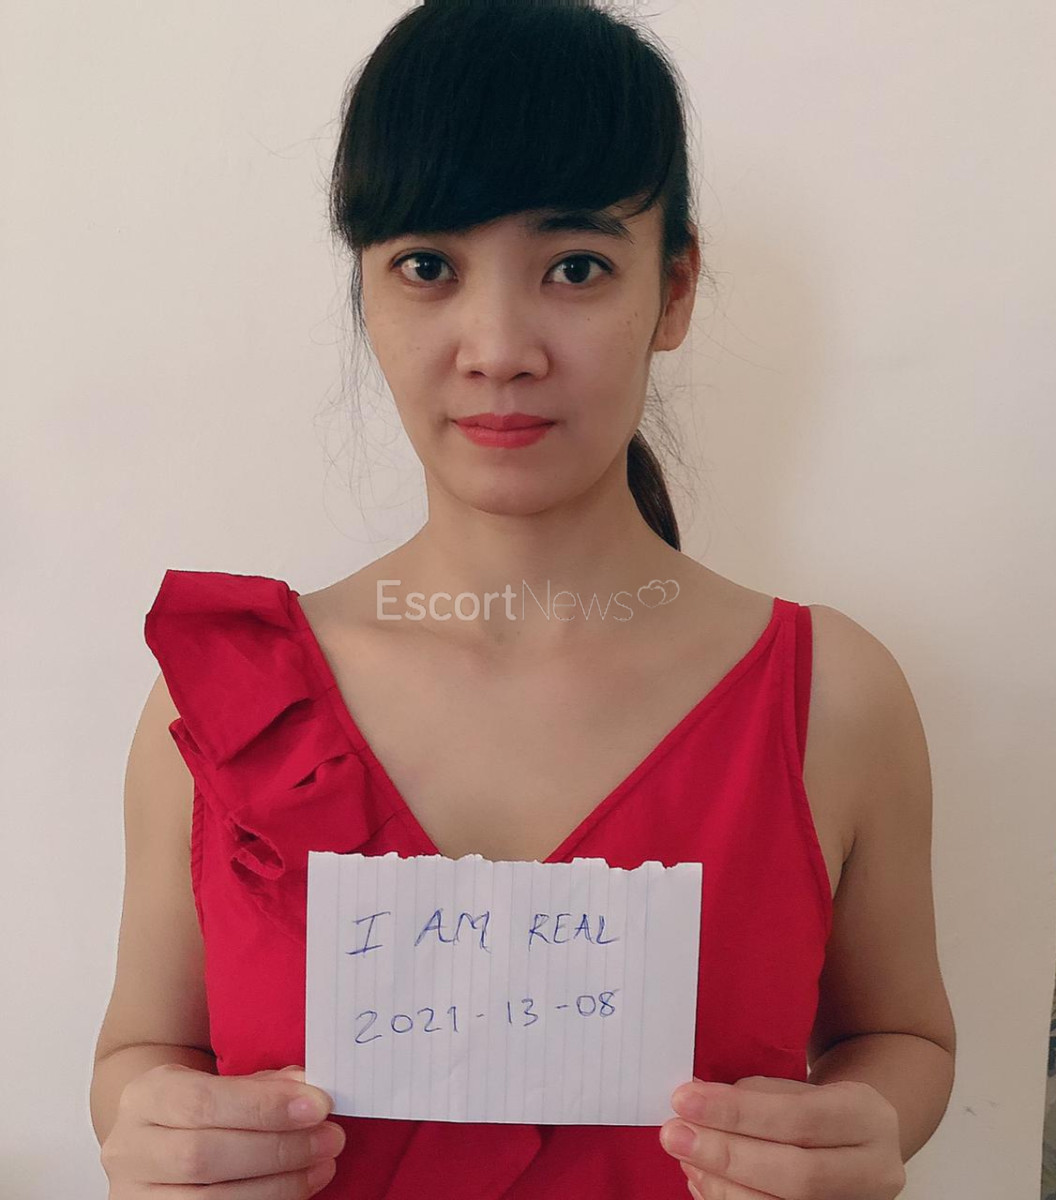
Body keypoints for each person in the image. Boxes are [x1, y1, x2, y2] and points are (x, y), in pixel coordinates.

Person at [89, 3, 956, 1197]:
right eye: (428, 267)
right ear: (366, 292)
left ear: (675, 289)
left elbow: (903, 1034)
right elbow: (141, 1051)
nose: (498, 346)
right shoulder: (219, 703)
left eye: (576, 268)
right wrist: (153, 1128)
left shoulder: (836, 699)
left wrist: (870, 1123)